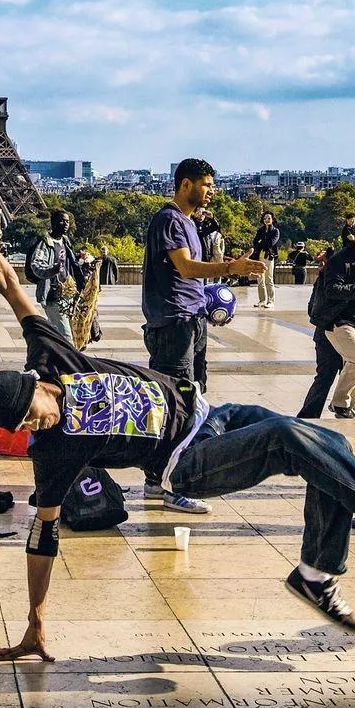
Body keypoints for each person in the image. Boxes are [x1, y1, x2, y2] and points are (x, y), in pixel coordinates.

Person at [0, 166, 355, 657]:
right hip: (184, 464)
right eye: (25, 428)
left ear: (36, 385)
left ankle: (316, 571)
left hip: (210, 415)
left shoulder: (54, 357)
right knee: (286, 437)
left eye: (32, 414)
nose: (35, 427)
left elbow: (6, 278)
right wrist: (35, 624)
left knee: (328, 443)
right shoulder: (54, 452)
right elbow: (42, 538)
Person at [140, 158, 266, 513]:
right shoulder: (169, 219)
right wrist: (231, 268)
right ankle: (169, 484)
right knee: (178, 405)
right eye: (207, 184)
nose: (212, 191)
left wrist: (208, 301)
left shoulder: (189, 223)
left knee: (186, 400)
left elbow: (190, 277)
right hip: (174, 323)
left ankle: (156, 478)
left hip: (190, 319)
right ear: (185, 184)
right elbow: (186, 268)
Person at [300, 214, 355, 420]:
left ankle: (352, 419)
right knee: (330, 373)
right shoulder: (340, 260)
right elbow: (333, 290)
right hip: (333, 322)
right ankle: (309, 418)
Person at [31, 208, 84, 336]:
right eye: (62, 221)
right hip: (52, 294)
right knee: (66, 336)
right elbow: (35, 265)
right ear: (53, 223)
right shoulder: (45, 243)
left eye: (67, 221)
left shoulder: (65, 241)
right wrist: (52, 270)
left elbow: (70, 264)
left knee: (59, 333)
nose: (65, 224)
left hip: (67, 294)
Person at [251, 211, 281, 308]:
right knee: (260, 279)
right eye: (265, 218)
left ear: (272, 219)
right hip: (259, 256)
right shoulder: (260, 230)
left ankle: (271, 301)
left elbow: (271, 243)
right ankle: (262, 300)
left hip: (268, 256)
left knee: (269, 279)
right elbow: (255, 242)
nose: (266, 220)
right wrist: (261, 243)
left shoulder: (275, 231)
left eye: (268, 218)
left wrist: (261, 243)